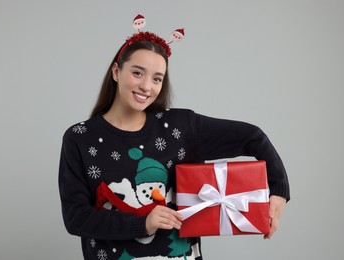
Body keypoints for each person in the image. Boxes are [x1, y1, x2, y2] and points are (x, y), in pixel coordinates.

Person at [58, 13, 290, 260]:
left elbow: (252, 136)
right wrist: (142, 223)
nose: (147, 86)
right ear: (116, 71)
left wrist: (279, 190)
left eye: (157, 78)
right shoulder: (80, 138)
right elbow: (76, 218)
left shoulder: (179, 127)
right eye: (138, 73)